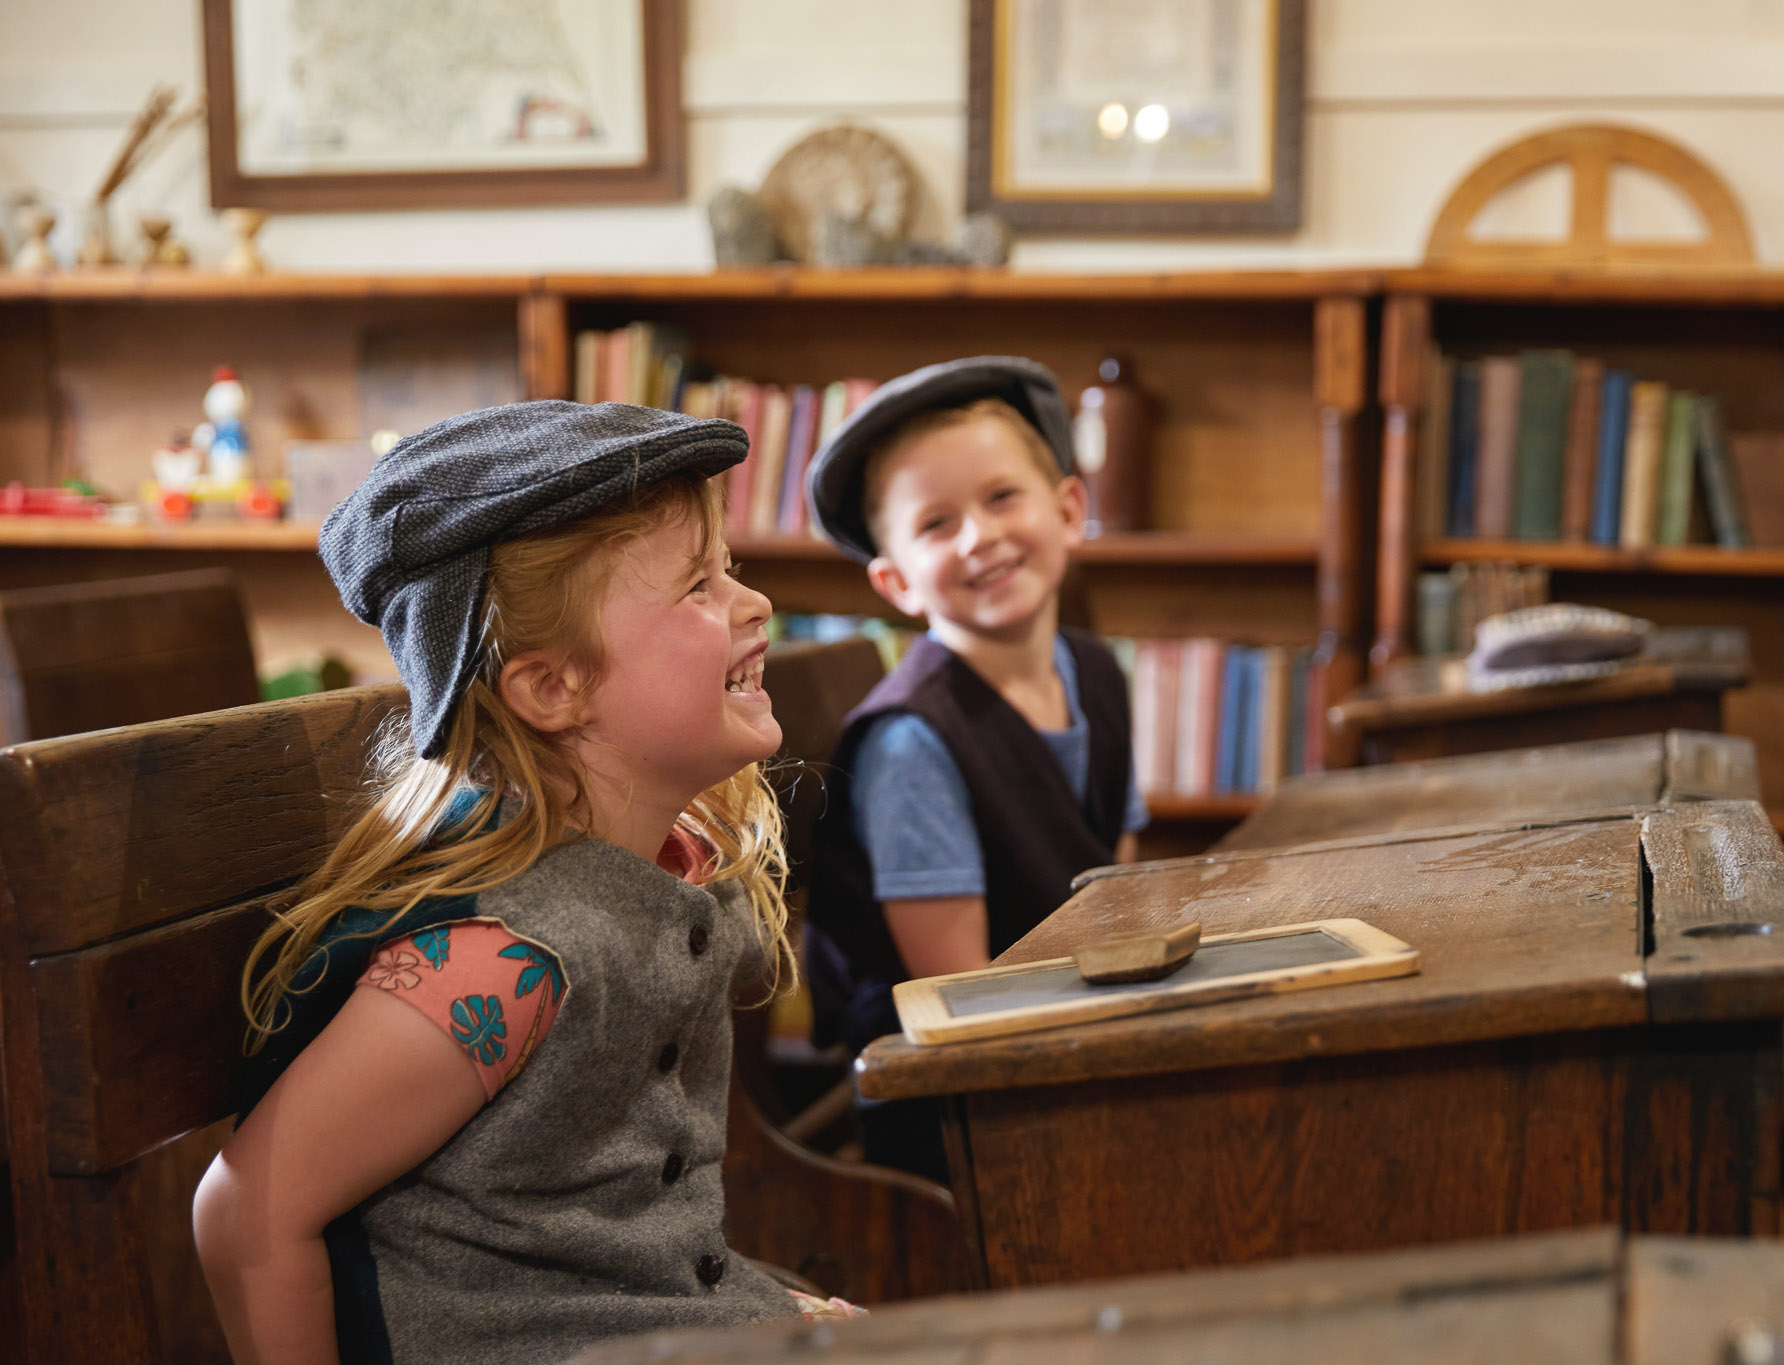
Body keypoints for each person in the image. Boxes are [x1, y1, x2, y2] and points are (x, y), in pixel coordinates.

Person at [193, 401, 856, 1365]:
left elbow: (628, 1253)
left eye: (734, 574)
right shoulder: (496, 964)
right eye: (699, 588)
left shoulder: (663, 874)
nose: (753, 606)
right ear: (552, 689)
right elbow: (246, 1213)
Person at [802, 358, 1146, 1181]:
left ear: (1069, 509)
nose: (979, 536)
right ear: (895, 582)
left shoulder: (1096, 671)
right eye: (935, 523)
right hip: (962, 1105)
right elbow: (964, 1001)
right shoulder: (913, 742)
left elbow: (1115, 894)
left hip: (1075, 1038)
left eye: (1001, 497)